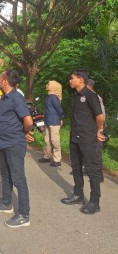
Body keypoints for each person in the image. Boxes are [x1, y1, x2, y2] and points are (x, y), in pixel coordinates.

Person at [0, 70, 33, 228]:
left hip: (14, 144)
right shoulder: (5, 97)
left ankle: (23, 214)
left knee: (19, 179)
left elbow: (28, 121)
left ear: (5, 81)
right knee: (5, 174)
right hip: (4, 142)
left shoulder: (16, 97)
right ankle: (6, 202)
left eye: (0, 79)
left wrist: (24, 133)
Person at [61, 69, 104, 215]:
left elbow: (99, 116)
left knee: (91, 170)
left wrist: (98, 131)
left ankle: (94, 202)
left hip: (87, 139)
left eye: (72, 78)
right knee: (76, 167)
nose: (70, 80)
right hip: (75, 138)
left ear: (80, 79)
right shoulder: (75, 96)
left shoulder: (90, 96)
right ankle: (78, 195)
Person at [38, 80, 64, 167]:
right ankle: (47, 156)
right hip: (48, 121)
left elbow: (59, 109)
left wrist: (61, 118)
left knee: (54, 140)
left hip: (54, 121)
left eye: (48, 84)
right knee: (47, 140)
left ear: (53, 87)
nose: (46, 85)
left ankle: (57, 159)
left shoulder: (54, 97)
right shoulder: (48, 96)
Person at [86, 79, 105, 182]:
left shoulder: (95, 97)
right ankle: (90, 170)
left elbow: (101, 115)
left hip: (96, 128)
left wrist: (99, 129)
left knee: (96, 151)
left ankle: (99, 175)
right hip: (90, 127)